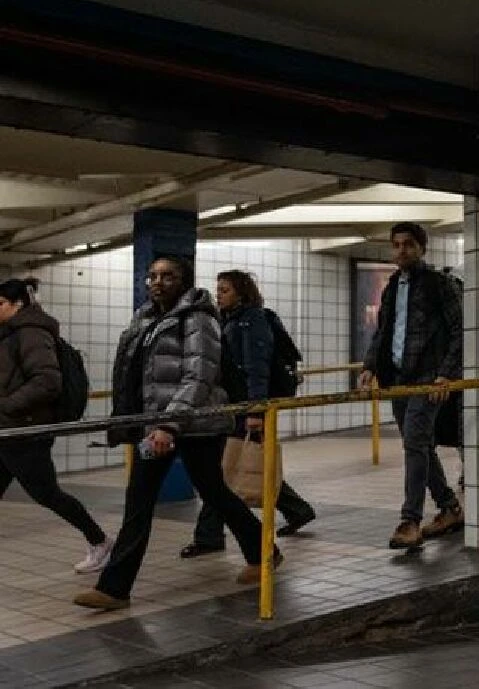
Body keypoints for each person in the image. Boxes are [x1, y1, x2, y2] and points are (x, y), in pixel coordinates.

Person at [74, 256, 279, 611]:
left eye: (168, 277)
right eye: (152, 276)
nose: (157, 282)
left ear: (183, 281)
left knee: (213, 492)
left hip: (195, 425)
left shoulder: (199, 318)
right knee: (139, 501)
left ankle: (264, 553)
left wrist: (169, 425)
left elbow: (199, 376)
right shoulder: (146, 318)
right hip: (156, 425)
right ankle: (114, 589)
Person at [180, 270, 316, 559]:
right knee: (239, 464)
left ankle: (209, 535)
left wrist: (255, 410)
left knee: (223, 469)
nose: (219, 295)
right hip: (234, 404)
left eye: (225, 290)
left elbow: (257, 367)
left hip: (247, 406)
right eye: (218, 290)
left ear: (242, 292)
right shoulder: (227, 319)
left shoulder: (251, 320)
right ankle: (297, 509)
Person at [359, 222, 463, 549]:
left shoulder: (439, 284)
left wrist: (446, 374)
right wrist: (369, 367)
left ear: (422, 248)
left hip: (428, 378)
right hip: (399, 379)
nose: (401, 250)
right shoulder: (392, 288)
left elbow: (462, 331)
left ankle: (410, 521)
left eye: (408, 244)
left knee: (415, 442)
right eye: (396, 245)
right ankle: (448, 507)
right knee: (418, 444)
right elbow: (383, 332)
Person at [0, 279, 113, 574]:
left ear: (18, 304)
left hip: (25, 431)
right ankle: (99, 541)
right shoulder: (10, 334)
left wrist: (6, 406)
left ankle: (99, 541)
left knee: (47, 493)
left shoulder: (32, 333)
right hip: (8, 430)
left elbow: (47, 381)